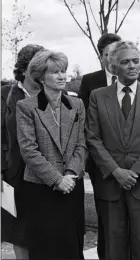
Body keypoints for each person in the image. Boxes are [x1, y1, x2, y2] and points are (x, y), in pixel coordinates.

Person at [86, 40, 140, 260]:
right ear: (114, 67)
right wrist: (116, 171)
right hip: (110, 185)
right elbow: (93, 138)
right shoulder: (98, 96)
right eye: (125, 62)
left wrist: (136, 171)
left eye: (135, 61)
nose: (132, 66)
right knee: (113, 247)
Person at [78, 33, 140, 259]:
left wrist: (137, 170)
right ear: (105, 58)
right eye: (110, 55)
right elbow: (89, 130)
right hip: (105, 170)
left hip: (139, 173)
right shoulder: (91, 84)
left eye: (134, 60)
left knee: (139, 234)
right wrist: (112, 169)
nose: (128, 64)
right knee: (110, 230)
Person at [16, 50, 87, 259]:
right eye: (55, 72)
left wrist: (71, 174)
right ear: (41, 76)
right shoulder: (26, 106)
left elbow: (82, 144)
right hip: (41, 188)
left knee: (72, 247)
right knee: (45, 247)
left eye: (63, 71)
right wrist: (57, 179)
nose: (62, 76)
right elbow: (29, 150)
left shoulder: (77, 104)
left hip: (72, 184)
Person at [1, 44, 44, 260]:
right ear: (24, 68)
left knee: (45, 230)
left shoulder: (56, 93)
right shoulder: (5, 94)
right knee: (19, 232)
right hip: (15, 174)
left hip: (47, 174)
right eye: (38, 66)